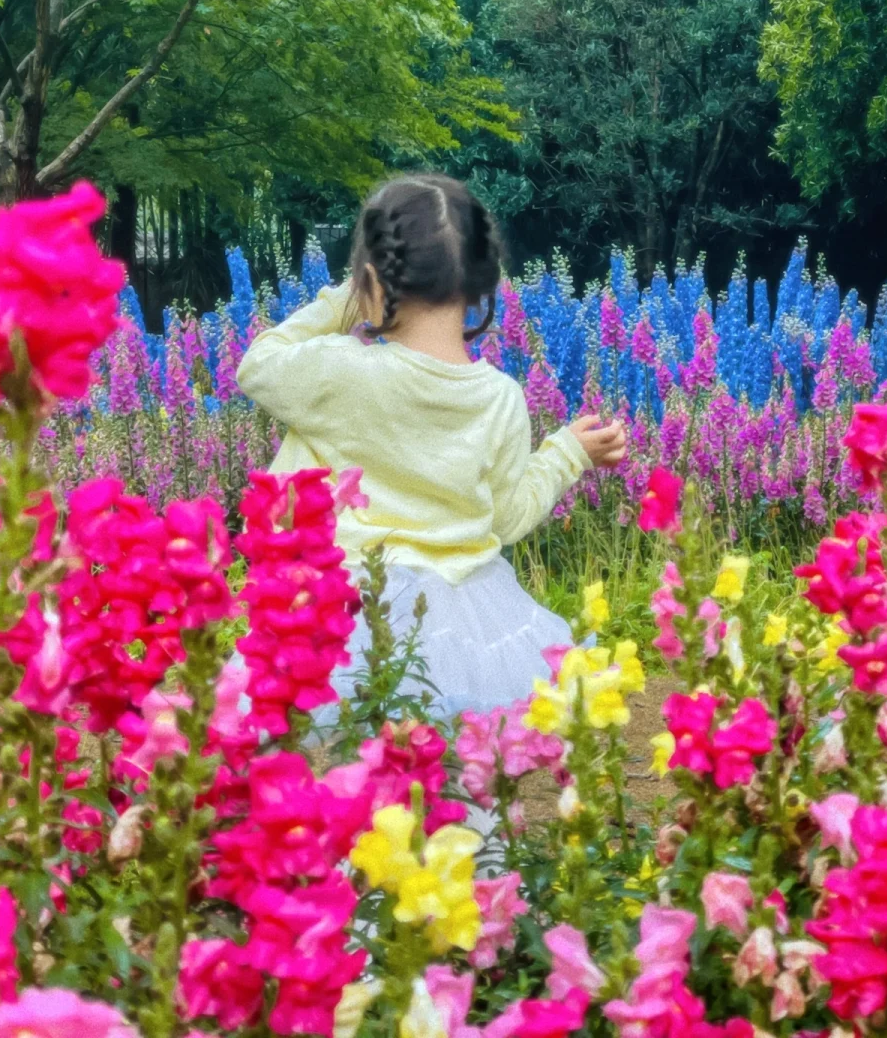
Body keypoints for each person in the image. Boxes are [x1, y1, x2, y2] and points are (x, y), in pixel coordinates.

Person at [236, 173, 626, 718]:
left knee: (360, 762)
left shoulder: (341, 371)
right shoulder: (501, 398)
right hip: (469, 611)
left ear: (371, 280)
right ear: (480, 285)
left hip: (349, 599)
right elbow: (508, 517)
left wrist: (344, 302)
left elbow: (257, 365)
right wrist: (568, 454)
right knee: (449, 764)